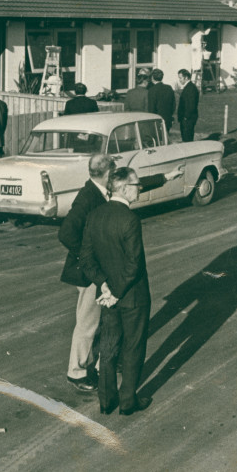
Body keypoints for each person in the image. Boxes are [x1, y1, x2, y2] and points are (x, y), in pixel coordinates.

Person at [80, 167, 152, 416]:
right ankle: (128, 401)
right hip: (131, 296)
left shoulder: (95, 216)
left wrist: (104, 285)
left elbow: (86, 259)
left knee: (109, 348)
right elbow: (134, 264)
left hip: (108, 296)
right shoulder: (130, 220)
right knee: (133, 347)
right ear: (123, 188)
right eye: (136, 185)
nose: (139, 188)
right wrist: (117, 291)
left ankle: (106, 401)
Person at [58, 153, 116, 393]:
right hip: (90, 273)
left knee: (97, 320)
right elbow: (66, 233)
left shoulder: (99, 191)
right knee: (88, 322)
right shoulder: (88, 198)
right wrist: (87, 259)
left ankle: (94, 363)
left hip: (97, 271)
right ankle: (77, 372)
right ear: (108, 173)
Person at [176, 69, 200, 142]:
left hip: (187, 119)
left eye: (180, 78)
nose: (179, 80)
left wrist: (186, 117)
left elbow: (191, 105)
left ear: (186, 77)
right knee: (186, 138)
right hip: (186, 118)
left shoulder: (190, 88)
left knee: (187, 139)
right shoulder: (188, 87)